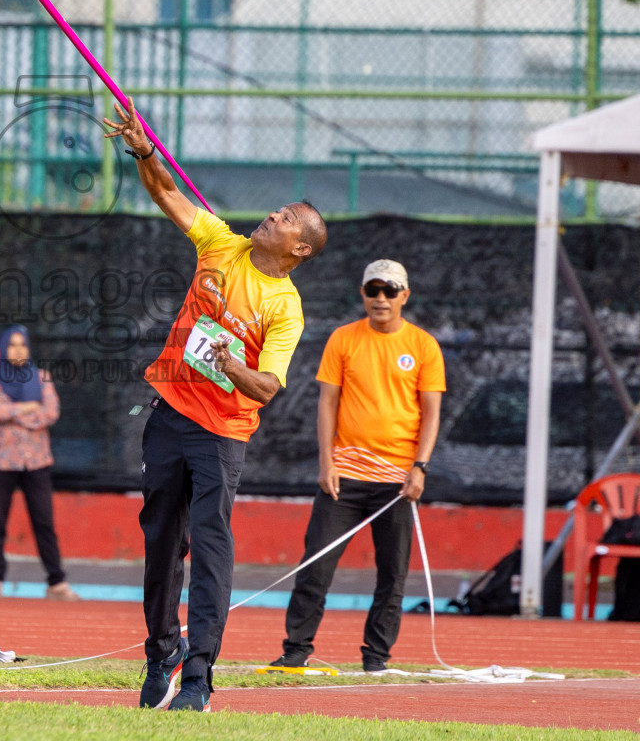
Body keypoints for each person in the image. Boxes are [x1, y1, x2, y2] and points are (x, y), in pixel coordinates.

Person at [103, 105, 326, 713]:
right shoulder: (219, 243)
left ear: (299, 247)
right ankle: (161, 651)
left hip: (221, 433)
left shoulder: (284, 307)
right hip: (170, 414)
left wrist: (226, 360)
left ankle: (199, 676)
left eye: (285, 218)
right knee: (159, 543)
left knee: (209, 542)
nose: (272, 215)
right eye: (276, 209)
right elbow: (167, 194)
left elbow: (266, 388)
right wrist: (143, 150)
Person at [272, 259, 445, 673]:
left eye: (390, 290)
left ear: (405, 295)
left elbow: (432, 412)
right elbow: (327, 403)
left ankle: (376, 657)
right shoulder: (343, 339)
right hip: (344, 475)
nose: (381, 298)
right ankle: (296, 650)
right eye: (373, 290)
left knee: (392, 575)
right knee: (315, 564)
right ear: (363, 294)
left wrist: (420, 467)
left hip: (398, 481)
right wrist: (326, 461)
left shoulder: (423, 346)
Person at [0, 324, 77, 601]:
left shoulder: (42, 377)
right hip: (0, 463)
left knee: (44, 522)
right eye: (11, 345)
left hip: (37, 462)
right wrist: (27, 408)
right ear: (3, 349)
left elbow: (50, 413)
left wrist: (13, 413)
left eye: (22, 344)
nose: (18, 350)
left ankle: (56, 581)